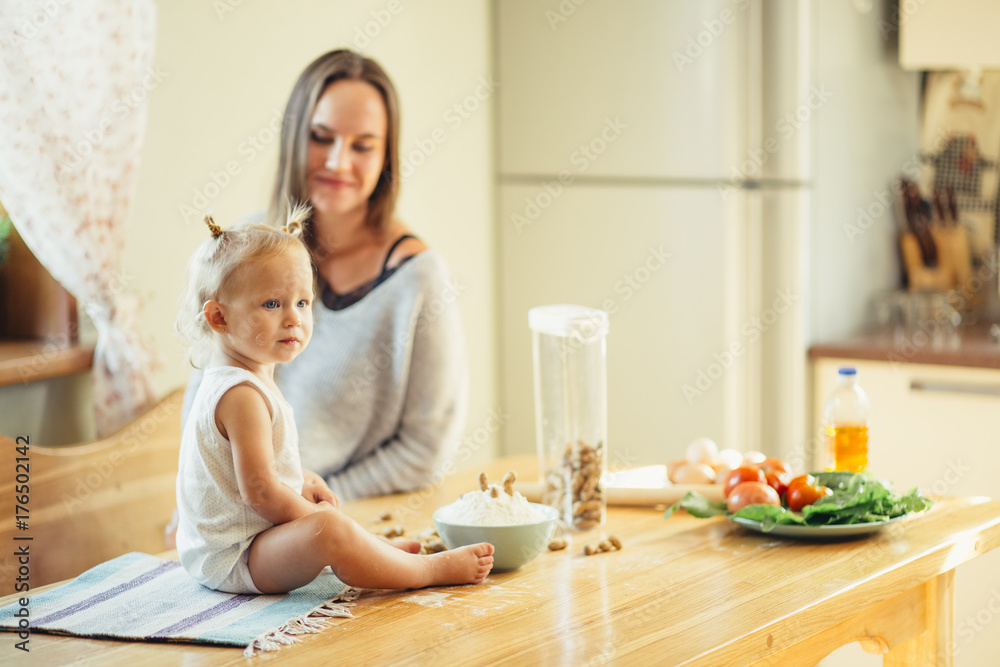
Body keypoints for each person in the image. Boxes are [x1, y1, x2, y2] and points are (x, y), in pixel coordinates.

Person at [183, 49, 468, 502]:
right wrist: (194, 503)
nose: (337, 162)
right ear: (295, 138)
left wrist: (310, 503)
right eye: (321, 136)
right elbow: (203, 396)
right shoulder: (243, 250)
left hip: (339, 518)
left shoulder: (418, 278)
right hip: (235, 520)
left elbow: (425, 450)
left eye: (362, 145)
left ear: (386, 157)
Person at [174, 212, 492, 594]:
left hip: (239, 547)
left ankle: (372, 553)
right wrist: (316, 517)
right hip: (233, 558)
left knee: (329, 526)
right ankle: (425, 571)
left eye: (304, 302)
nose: (294, 318)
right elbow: (259, 493)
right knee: (331, 528)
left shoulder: (246, 377)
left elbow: (256, 470)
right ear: (219, 317)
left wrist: (301, 480)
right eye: (272, 304)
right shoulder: (240, 394)